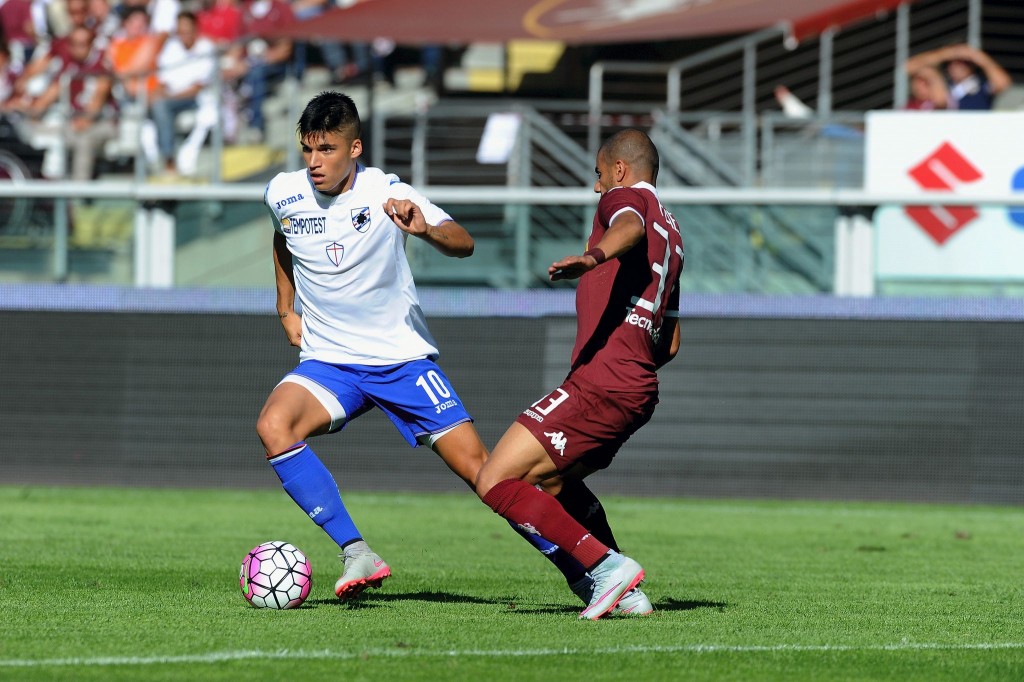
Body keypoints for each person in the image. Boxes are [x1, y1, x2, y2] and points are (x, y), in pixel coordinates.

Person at [259, 91, 581, 602]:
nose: (315, 162)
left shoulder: (388, 192)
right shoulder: (283, 192)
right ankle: (356, 551)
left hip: (400, 362)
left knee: (485, 474)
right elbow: (284, 239)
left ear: (355, 148)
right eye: (308, 149)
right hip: (330, 362)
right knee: (274, 426)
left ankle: (585, 569)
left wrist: (425, 229)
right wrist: (285, 307)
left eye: (327, 149)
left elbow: (463, 242)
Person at [474, 129, 685, 620]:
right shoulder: (674, 236)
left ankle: (608, 568)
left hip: (602, 381)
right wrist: (631, 360)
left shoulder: (626, 200)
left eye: (598, 174)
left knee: (494, 479)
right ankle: (626, 594)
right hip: (637, 389)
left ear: (619, 169)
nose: (596, 186)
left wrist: (591, 258)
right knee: (553, 484)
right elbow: (671, 341)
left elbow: (627, 226)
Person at [146, 10, 216, 175]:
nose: (183, 36)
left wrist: (165, 97)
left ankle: (168, 158)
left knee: (160, 105)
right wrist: (156, 95)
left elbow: (198, 88)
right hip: (172, 98)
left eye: (187, 31)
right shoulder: (171, 47)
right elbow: (162, 81)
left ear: (195, 30)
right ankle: (152, 161)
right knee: (149, 104)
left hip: (197, 100)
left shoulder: (207, 48)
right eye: (180, 32)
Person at [904, 43, 1011, 111]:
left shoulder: (981, 84)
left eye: (964, 63)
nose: (958, 66)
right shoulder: (944, 85)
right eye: (954, 62)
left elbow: (1004, 83)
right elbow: (908, 66)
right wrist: (947, 54)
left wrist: (976, 56)